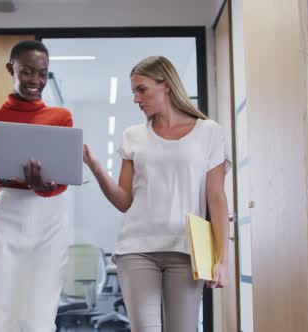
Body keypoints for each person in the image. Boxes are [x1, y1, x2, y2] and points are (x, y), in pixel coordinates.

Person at [83, 56, 231, 331]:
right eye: (133, 92)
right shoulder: (133, 135)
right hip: (137, 249)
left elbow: (217, 198)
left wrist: (222, 259)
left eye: (142, 89)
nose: (136, 99)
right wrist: (95, 167)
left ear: (165, 85)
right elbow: (124, 201)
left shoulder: (209, 132)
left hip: (186, 250)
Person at [0, 40, 73, 332]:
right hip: (6, 225)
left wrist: (42, 186)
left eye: (42, 74)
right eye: (27, 72)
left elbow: (61, 186)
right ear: (10, 68)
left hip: (48, 224)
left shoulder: (60, 118)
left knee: (39, 316)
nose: (35, 81)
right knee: (1, 312)